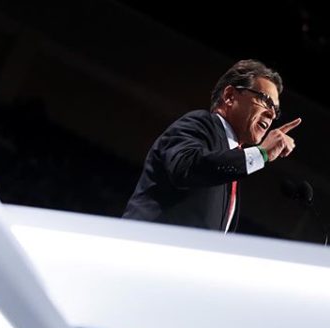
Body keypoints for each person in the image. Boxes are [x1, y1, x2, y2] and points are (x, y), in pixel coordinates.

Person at [122, 59, 301, 232]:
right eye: (264, 100)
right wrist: (261, 154)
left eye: (275, 110)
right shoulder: (200, 123)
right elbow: (184, 168)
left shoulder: (232, 161)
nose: (271, 113)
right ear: (230, 96)